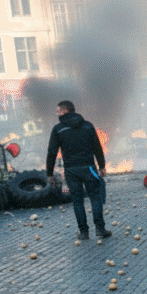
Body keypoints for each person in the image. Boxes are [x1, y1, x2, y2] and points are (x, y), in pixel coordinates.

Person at [46, 100, 111, 240]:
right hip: (89, 168)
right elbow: (97, 148)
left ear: (65, 110)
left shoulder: (58, 129)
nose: (56, 113)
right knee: (95, 197)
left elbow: (52, 152)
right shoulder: (88, 126)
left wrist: (49, 173)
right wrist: (102, 166)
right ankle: (100, 229)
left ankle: (83, 232)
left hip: (71, 170)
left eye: (58, 111)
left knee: (77, 201)